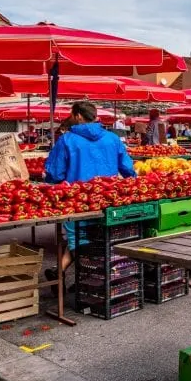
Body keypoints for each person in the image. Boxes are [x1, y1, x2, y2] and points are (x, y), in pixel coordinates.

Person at [43, 101, 136, 284]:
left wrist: (51, 182)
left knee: (78, 240)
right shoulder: (112, 138)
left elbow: (55, 174)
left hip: (76, 201)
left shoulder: (67, 140)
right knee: (100, 238)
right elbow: (127, 170)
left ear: (77, 115)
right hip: (107, 198)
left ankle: (85, 280)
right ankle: (80, 278)